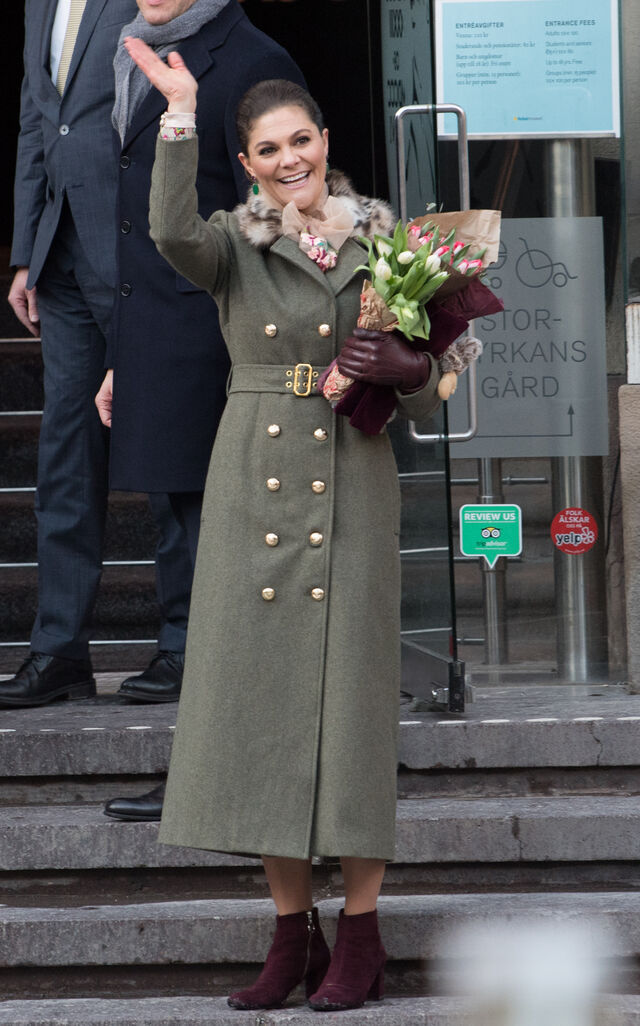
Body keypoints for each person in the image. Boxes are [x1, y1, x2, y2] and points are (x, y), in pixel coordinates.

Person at [127, 34, 441, 1012]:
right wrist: (177, 121)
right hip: (255, 477)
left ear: (324, 139)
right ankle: (285, 937)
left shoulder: (387, 243)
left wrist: (412, 369)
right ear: (249, 164)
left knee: (347, 716)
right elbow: (170, 235)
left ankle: (360, 936)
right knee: (260, 715)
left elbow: (432, 367)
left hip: (351, 473)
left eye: (299, 141)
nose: (288, 160)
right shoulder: (233, 240)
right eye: (267, 151)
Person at [3, 0, 301, 716]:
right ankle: (59, 648)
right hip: (65, 254)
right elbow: (39, 121)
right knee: (65, 456)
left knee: (171, 443)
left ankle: (185, 638)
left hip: (149, 251)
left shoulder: (165, 13)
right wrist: (25, 252)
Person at [90, 0, 303, 821]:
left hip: (216, 343)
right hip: (155, 329)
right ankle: (208, 769)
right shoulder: (134, 49)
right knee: (185, 546)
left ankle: (217, 774)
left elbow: (277, 215)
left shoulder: (248, 58)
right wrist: (125, 354)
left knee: (217, 562)